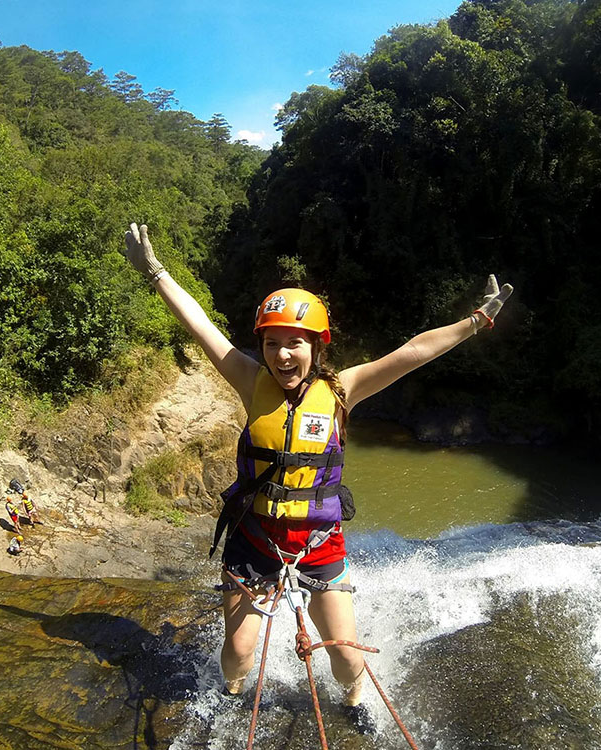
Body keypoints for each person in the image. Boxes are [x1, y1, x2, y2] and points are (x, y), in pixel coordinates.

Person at [122, 222, 512, 711]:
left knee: (347, 657)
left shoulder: (342, 390)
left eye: (295, 343)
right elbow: (199, 324)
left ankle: (352, 700)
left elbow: (411, 353)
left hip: (318, 542)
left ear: (316, 346)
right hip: (256, 537)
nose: (282, 354)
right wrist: (155, 271)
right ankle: (231, 697)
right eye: (271, 343)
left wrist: (474, 322)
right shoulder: (249, 380)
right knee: (238, 654)